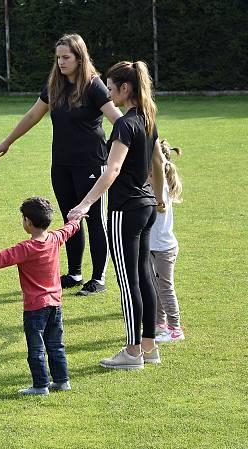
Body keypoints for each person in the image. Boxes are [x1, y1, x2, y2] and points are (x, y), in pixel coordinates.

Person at [0, 34, 122, 296]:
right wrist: (6, 143)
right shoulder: (55, 86)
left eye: (66, 57)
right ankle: (74, 273)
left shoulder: (94, 87)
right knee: (70, 217)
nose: (61, 62)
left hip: (92, 165)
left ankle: (98, 278)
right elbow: (32, 115)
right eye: (58, 57)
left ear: (79, 58)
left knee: (95, 221)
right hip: (61, 164)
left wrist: (136, 141)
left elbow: (118, 120)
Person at [68, 60, 165, 370]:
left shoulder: (124, 124)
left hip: (126, 211)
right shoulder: (147, 119)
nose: (108, 96)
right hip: (147, 207)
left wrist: (84, 204)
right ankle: (149, 347)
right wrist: (160, 198)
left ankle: (133, 351)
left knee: (128, 283)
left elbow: (112, 169)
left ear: (125, 89)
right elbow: (159, 165)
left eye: (111, 89)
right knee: (144, 277)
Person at [0, 197, 81, 395]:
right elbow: (69, 230)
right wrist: (76, 220)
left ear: (28, 223)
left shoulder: (25, 248)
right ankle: (62, 381)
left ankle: (40, 385)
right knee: (56, 344)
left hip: (35, 308)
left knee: (36, 348)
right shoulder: (55, 238)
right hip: (55, 304)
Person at [150, 140, 185, 343]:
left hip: (164, 249)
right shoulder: (157, 186)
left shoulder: (159, 191)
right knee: (156, 286)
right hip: (155, 246)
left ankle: (175, 329)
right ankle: (160, 323)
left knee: (165, 288)